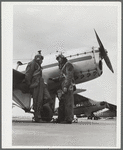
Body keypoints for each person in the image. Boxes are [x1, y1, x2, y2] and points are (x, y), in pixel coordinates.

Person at [24, 50, 53, 123]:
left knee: (48, 98)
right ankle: (37, 117)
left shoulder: (37, 65)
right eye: (41, 59)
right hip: (36, 84)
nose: (42, 61)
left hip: (41, 83)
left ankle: (40, 111)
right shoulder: (32, 64)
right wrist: (29, 85)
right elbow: (28, 75)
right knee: (37, 100)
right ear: (37, 58)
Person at [56, 54, 75, 124]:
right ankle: (63, 118)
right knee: (63, 102)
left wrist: (65, 87)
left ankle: (68, 119)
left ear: (62, 58)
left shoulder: (68, 65)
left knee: (68, 103)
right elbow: (62, 77)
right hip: (64, 86)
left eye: (59, 59)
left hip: (68, 86)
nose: (58, 60)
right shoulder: (64, 66)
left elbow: (69, 76)